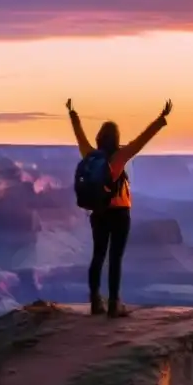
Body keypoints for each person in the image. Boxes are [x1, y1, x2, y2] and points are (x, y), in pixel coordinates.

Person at [66, 97, 173, 318]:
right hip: (119, 214)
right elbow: (141, 140)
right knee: (115, 257)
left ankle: (95, 301)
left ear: (99, 138)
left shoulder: (90, 154)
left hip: (98, 213)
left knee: (98, 256)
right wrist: (161, 119)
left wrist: (73, 114)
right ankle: (114, 304)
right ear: (116, 138)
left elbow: (79, 136)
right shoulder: (119, 157)